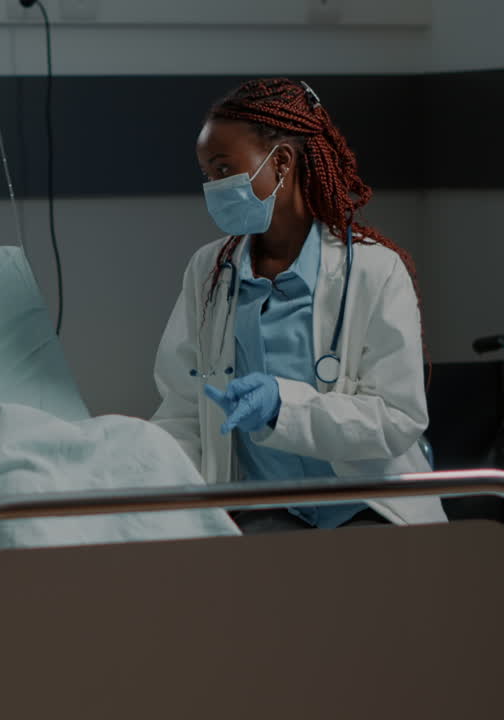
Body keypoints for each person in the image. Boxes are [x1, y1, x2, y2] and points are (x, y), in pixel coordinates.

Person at [150, 78, 445, 532]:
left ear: (282, 161)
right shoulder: (210, 271)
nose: (214, 188)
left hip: (367, 505)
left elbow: (397, 417)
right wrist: (143, 467)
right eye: (208, 175)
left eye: (225, 169)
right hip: (265, 508)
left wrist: (282, 408)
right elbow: (185, 410)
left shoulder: (374, 270)